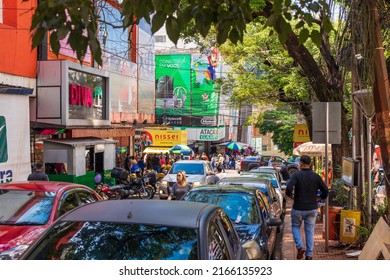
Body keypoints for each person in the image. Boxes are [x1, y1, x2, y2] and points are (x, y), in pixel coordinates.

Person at [286, 155, 328, 260]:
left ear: (300, 163)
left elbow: (288, 187)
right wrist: (321, 197)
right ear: (310, 164)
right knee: (309, 230)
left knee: (295, 227)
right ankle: (309, 255)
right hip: (312, 208)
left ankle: (300, 247)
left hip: (298, 207)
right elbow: (326, 191)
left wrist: (290, 195)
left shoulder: (296, 175)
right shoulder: (316, 176)